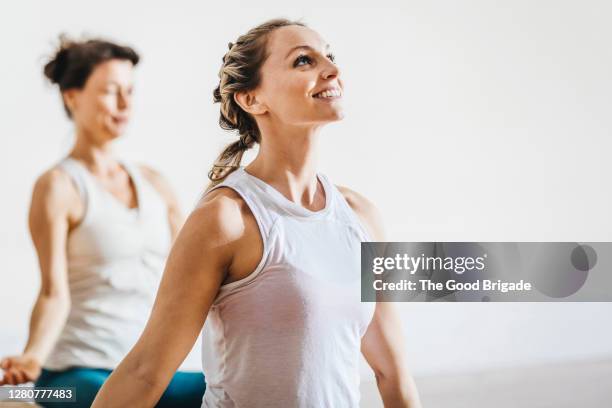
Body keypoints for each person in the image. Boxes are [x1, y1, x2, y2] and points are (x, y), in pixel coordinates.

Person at [92, 19, 422, 407]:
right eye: (303, 61)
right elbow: (146, 371)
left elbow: (392, 373)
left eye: (329, 57)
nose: (331, 69)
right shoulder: (226, 219)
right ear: (252, 99)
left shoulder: (361, 217)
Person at [0, 36, 205, 408]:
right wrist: (31, 356)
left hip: (148, 367)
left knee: (228, 387)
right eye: (111, 91)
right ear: (72, 96)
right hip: (76, 374)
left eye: (130, 91)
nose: (125, 104)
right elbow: (53, 293)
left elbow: (192, 280)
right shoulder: (59, 186)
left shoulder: (155, 183)